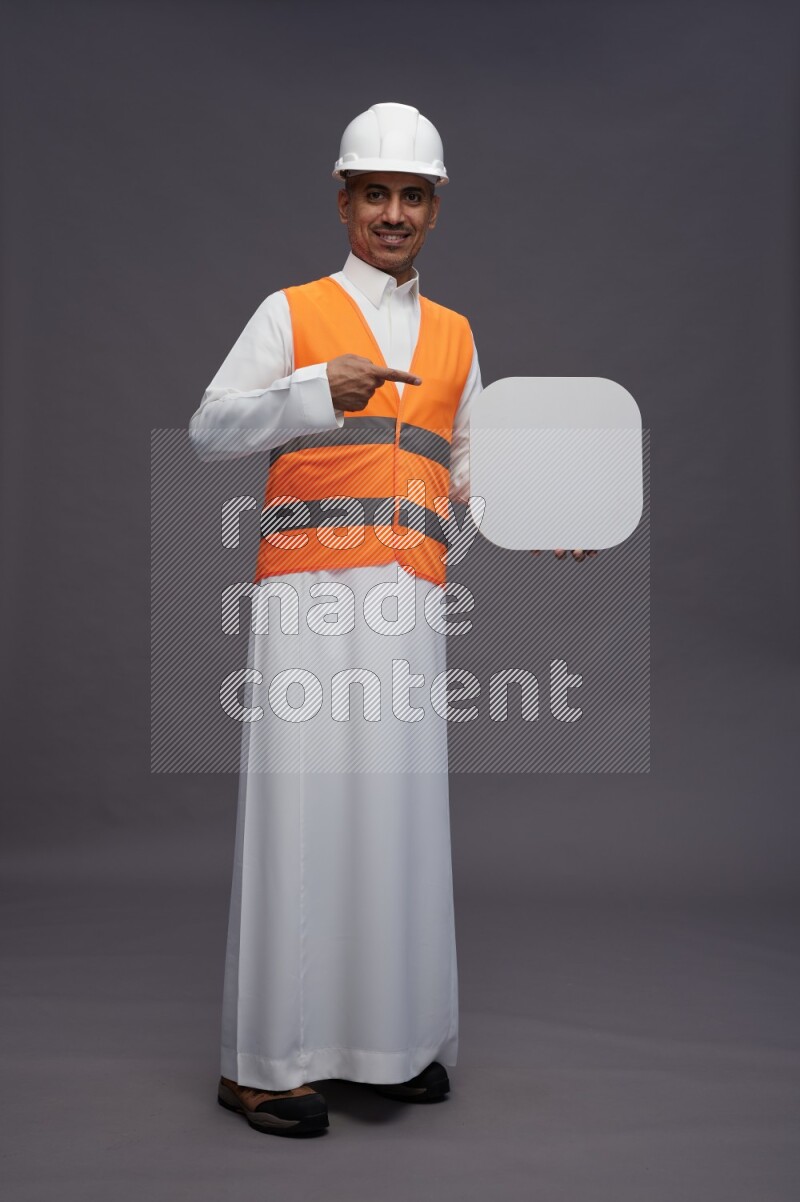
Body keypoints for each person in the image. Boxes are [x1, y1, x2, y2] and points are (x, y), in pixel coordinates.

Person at [189, 102, 481, 1137]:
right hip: (308, 597)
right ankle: (260, 1063)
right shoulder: (293, 310)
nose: (391, 213)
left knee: (393, 819)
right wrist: (316, 389)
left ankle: (385, 1047)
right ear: (344, 199)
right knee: (300, 816)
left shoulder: (453, 336)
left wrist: (550, 525)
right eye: (375, 194)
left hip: (405, 602)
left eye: (411, 195)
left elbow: (472, 476)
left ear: (433, 209)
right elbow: (209, 427)